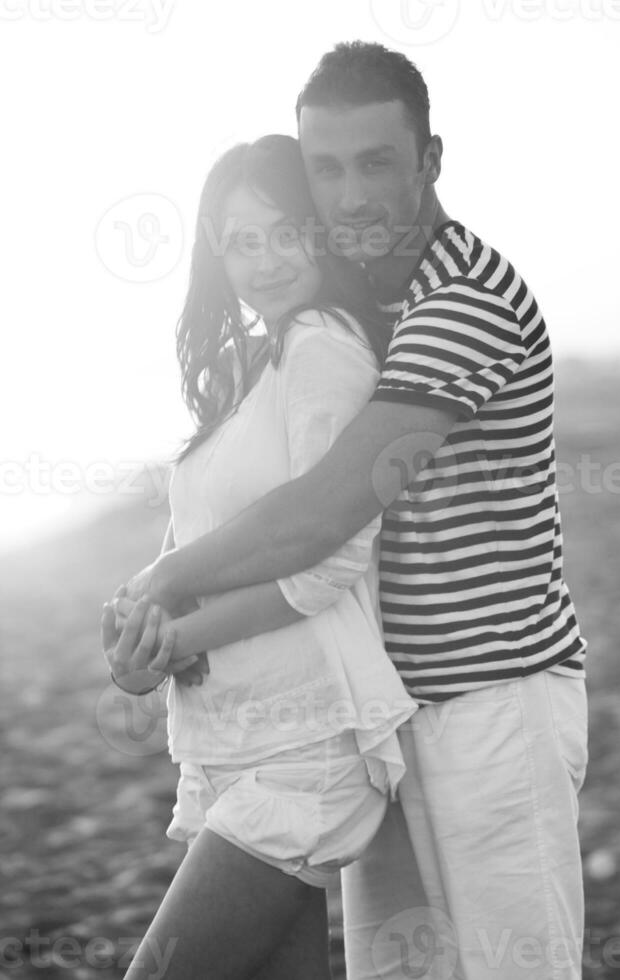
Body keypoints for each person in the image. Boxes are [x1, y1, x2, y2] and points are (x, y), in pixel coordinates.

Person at [118, 42, 589, 980]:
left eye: (378, 162)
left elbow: (322, 516)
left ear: (431, 159)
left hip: (491, 703)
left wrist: (162, 584)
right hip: (389, 713)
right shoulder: (359, 307)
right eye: (326, 169)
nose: (352, 194)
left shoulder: (463, 301)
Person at [101, 133, 416, 980]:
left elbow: (326, 564)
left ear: (318, 231)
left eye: (285, 232)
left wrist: (181, 635)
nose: (267, 260)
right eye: (242, 240)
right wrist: (137, 635)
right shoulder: (253, 361)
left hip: (304, 739)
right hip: (233, 735)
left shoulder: (323, 349)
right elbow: (200, 542)